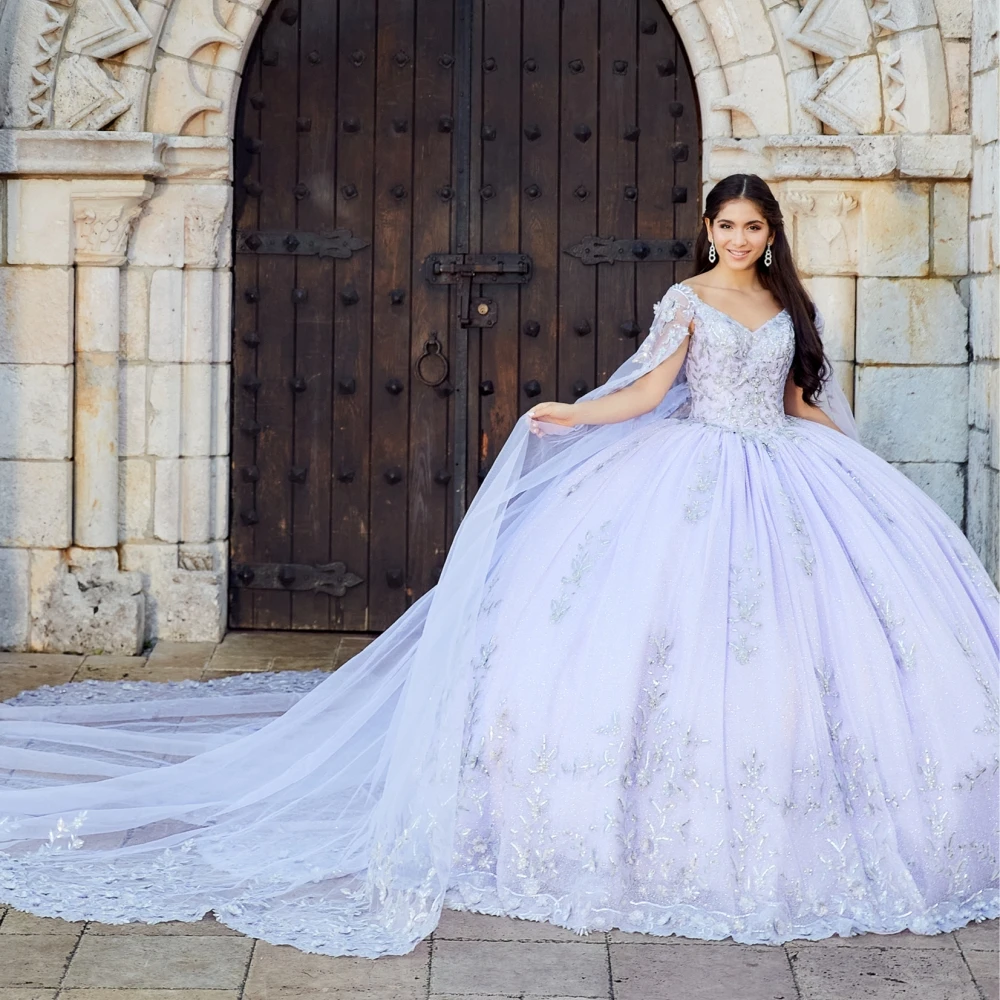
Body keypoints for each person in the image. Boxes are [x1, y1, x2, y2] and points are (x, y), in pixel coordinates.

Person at [0, 174, 996, 959]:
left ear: (770, 235)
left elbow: (790, 398)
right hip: (693, 476)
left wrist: (852, 457)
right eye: (724, 226)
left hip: (784, 474)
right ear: (706, 230)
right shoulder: (688, 300)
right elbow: (650, 392)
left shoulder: (783, 300)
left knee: (802, 653)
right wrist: (568, 411)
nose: (736, 239)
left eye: (749, 228)